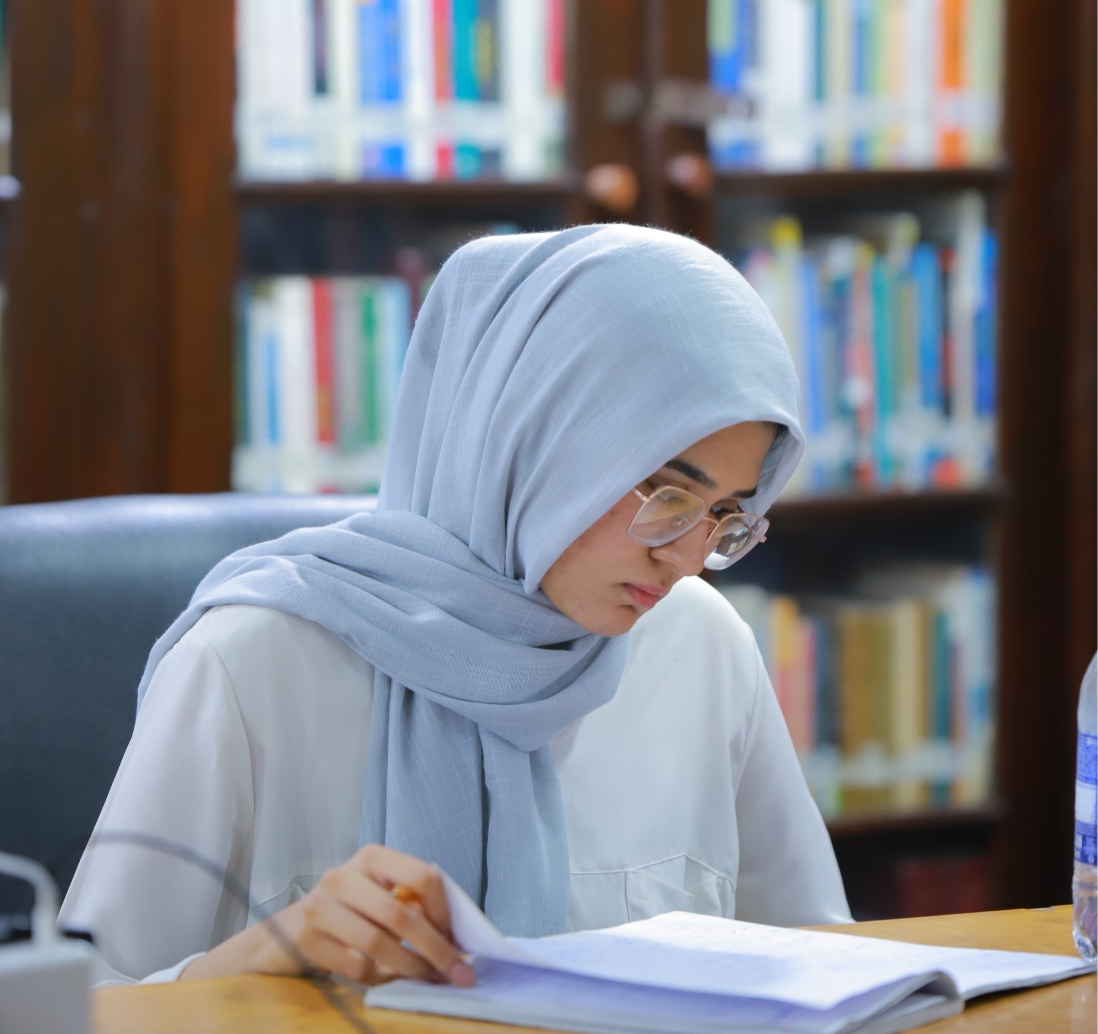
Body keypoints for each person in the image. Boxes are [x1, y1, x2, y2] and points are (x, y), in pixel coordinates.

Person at [61, 224, 850, 987]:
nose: (684, 558)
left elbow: (828, 970)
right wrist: (267, 956)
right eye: (670, 492)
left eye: (727, 518)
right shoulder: (254, 661)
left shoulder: (700, 645)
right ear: (534, 435)